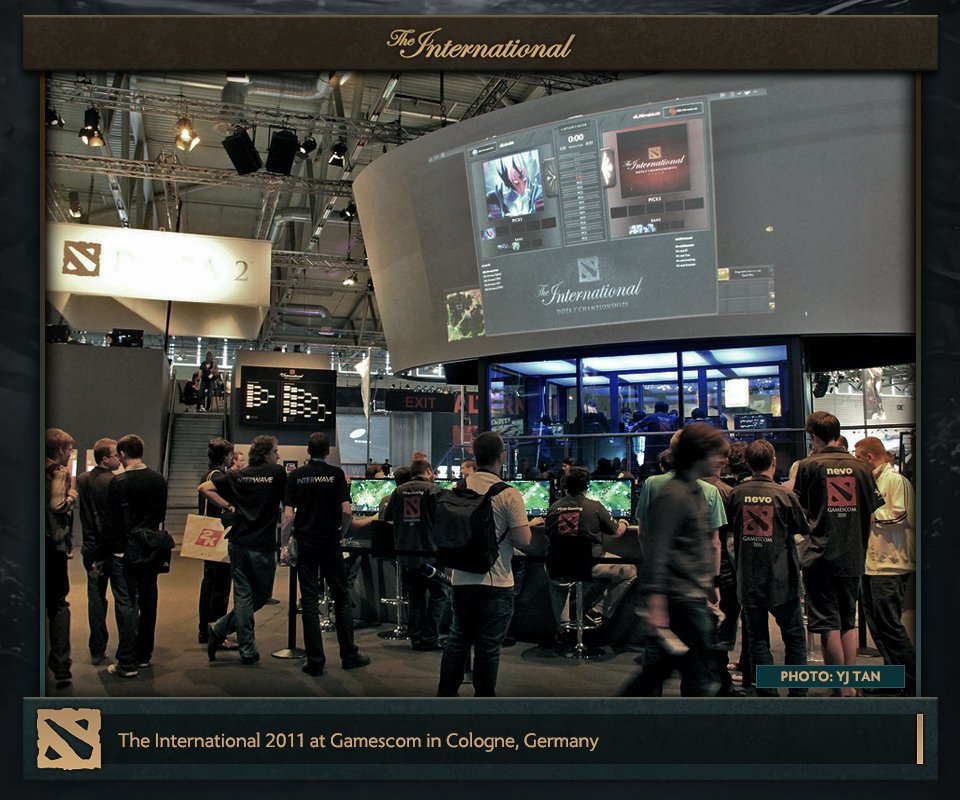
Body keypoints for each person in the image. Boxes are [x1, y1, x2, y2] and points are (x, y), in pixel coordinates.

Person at [623, 424, 730, 697]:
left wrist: (710, 584)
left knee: (665, 669)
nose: (722, 460)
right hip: (680, 599)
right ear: (698, 455)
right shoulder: (676, 494)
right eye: (716, 454)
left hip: (688, 596)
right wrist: (656, 601)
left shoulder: (693, 490)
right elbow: (659, 548)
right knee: (699, 677)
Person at [793, 412, 883, 696]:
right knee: (848, 620)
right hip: (853, 554)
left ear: (812, 436)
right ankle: (850, 684)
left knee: (827, 623)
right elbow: (873, 513)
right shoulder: (862, 468)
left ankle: (838, 686)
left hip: (820, 555)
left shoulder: (808, 466)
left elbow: (801, 513)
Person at [437, 431, 532, 697]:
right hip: (496, 581)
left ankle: (444, 696)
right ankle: (484, 702)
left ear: (474, 455)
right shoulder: (508, 493)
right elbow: (523, 540)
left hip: (461, 579)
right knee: (488, 647)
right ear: (502, 455)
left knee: (457, 639)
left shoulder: (456, 489)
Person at [282, 432, 370, 676]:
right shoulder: (336, 474)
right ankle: (349, 655)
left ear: (308, 451)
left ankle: (315, 661)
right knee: (341, 597)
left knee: (309, 601)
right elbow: (347, 511)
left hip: (306, 543)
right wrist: (341, 532)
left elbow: (288, 516)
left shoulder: (296, 476)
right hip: (330, 542)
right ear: (327, 451)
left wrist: (284, 544)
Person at [728, 439, 810, 697]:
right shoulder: (785, 495)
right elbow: (803, 529)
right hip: (782, 578)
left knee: (758, 639)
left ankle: (768, 694)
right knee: (794, 637)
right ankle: (797, 694)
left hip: (749, 578)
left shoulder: (735, 495)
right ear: (773, 462)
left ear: (748, 464)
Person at [200, 435, 286, 665]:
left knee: (243, 595)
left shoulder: (239, 474)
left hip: (238, 542)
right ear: (266, 453)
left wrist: (229, 506)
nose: (278, 456)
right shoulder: (277, 473)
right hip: (262, 545)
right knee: (261, 596)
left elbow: (204, 488)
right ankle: (223, 631)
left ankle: (240, 644)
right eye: (275, 451)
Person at [100, 434, 168, 678]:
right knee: (149, 600)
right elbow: (160, 515)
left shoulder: (119, 482)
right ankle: (143, 655)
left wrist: (101, 554)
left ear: (121, 454)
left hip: (124, 551)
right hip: (151, 549)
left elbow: (110, 523)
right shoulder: (158, 480)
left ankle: (127, 662)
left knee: (126, 603)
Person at [854, 436, 916, 696]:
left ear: (869, 457)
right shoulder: (872, 482)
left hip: (891, 565)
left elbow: (900, 514)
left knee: (889, 626)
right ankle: (895, 678)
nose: (856, 461)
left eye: (858, 457)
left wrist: (868, 514)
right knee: (878, 626)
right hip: (872, 565)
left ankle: (912, 678)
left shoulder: (895, 481)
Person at [544, 466, 637, 636]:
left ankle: (563, 631)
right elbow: (617, 532)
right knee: (630, 570)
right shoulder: (594, 507)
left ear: (564, 486)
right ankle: (597, 611)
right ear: (587, 485)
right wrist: (624, 522)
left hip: (557, 566)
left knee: (559, 585)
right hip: (589, 565)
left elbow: (548, 536)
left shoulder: (553, 507)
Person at [383, 457, 449, 651]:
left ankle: (416, 638)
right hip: (431, 553)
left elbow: (388, 518)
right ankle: (429, 637)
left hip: (406, 554)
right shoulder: (435, 491)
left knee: (416, 596)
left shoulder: (397, 492)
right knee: (439, 594)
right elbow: (444, 521)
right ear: (428, 470)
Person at [76, 437, 121, 664]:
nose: (119, 458)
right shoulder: (114, 482)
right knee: (123, 598)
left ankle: (97, 648)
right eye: (116, 455)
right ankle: (127, 648)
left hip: (89, 548)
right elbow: (110, 521)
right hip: (109, 550)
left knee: (95, 599)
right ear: (105, 459)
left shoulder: (83, 479)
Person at [44, 427, 78, 688]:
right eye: (68, 450)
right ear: (59, 450)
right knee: (58, 605)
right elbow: (56, 505)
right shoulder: (58, 471)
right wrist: (72, 496)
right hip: (51, 547)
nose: (69, 455)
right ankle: (61, 666)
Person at [196, 438, 235, 646]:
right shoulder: (219, 477)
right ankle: (217, 634)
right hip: (218, 535)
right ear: (226, 456)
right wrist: (229, 506)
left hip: (207, 535)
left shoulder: (207, 475)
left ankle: (204, 630)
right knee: (220, 586)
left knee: (208, 584)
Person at [486, 152, 544, 219]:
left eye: (524, 180)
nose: (521, 186)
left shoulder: (537, 191)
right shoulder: (499, 196)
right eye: (516, 182)